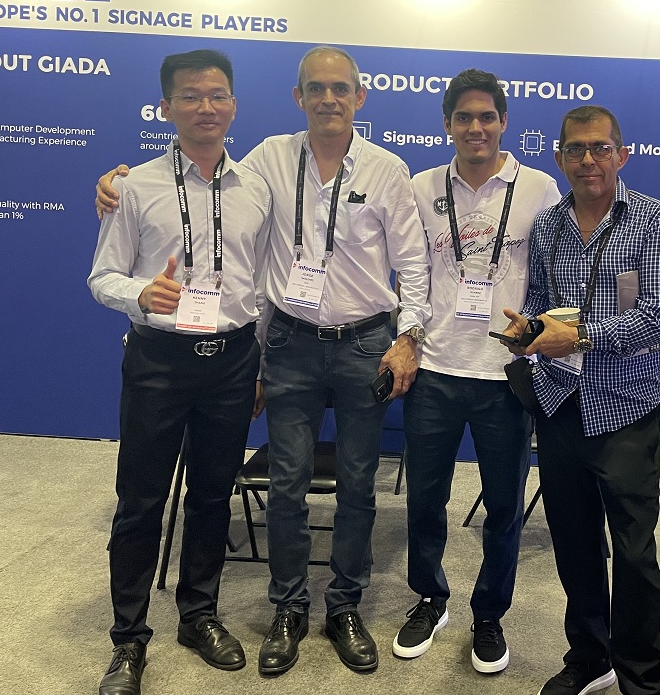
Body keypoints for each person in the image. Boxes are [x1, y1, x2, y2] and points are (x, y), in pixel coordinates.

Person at [96, 46, 431, 676]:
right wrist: (116, 185)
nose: (328, 99)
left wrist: (409, 336)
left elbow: (413, 263)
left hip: (358, 344)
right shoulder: (265, 162)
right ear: (297, 97)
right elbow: (184, 195)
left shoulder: (382, 169)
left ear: (359, 97)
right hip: (277, 347)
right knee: (276, 487)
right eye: (315, 88)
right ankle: (280, 610)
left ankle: (339, 607)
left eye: (340, 88)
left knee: (352, 485)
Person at [88, 49, 272, 695]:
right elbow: (102, 276)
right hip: (159, 362)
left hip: (233, 359)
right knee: (141, 502)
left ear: (234, 105)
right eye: (190, 96)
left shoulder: (257, 188)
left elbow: (263, 285)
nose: (205, 107)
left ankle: (199, 616)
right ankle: (128, 639)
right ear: (166, 107)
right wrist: (140, 293)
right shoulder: (133, 186)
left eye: (217, 95)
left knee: (213, 496)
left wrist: (259, 362)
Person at [500, 105, 660, 695]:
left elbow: (657, 318)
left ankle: (642, 679)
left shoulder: (654, 220)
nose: (588, 160)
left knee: (634, 553)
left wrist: (578, 338)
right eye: (576, 149)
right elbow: (544, 300)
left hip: (625, 408)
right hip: (561, 404)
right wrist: (529, 330)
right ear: (559, 157)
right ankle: (589, 656)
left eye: (600, 148)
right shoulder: (549, 225)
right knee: (575, 543)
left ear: (621, 155)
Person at [392, 69, 560, 673]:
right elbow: (408, 271)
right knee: (425, 499)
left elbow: (559, 271)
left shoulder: (539, 188)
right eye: (463, 117)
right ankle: (429, 598)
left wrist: (537, 328)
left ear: (503, 122)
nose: (476, 127)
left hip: (504, 374)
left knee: (504, 507)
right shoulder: (421, 187)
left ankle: (489, 614)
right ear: (447, 124)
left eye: (487, 116)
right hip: (435, 369)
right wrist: (409, 336)